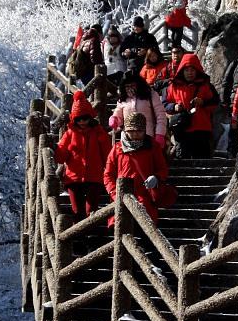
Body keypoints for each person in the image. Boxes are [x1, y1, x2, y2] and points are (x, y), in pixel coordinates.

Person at [103, 110, 169, 225]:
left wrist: (156, 178)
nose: (135, 134)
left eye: (139, 131)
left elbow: (162, 169)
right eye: (131, 131)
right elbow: (108, 174)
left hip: (145, 197)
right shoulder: (117, 148)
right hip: (121, 197)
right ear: (125, 131)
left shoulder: (153, 147)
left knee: (145, 229)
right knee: (122, 230)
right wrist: (114, 193)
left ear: (144, 131)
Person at [54, 91, 111, 220]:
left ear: (90, 117)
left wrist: (109, 171)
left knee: (91, 210)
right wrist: (60, 150)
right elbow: (60, 157)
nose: (82, 122)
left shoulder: (98, 132)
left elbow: (107, 153)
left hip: (94, 177)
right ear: (74, 119)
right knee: (77, 211)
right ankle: (79, 237)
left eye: (85, 118)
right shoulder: (69, 134)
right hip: (73, 178)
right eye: (78, 119)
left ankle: (90, 234)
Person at [164, 52, 219, 158]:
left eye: (192, 70)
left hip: (201, 129)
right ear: (182, 71)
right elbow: (164, 104)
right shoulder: (173, 86)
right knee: (183, 160)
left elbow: (215, 102)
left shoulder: (206, 85)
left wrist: (203, 102)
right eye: (187, 70)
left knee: (203, 161)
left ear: (197, 70)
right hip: (182, 129)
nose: (190, 73)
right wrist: (174, 107)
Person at [109, 72, 167, 147]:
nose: (130, 88)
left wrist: (160, 134)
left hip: (148, 137)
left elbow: (161, 115)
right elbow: (119, 114)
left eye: (132, 85)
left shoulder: (150, 95)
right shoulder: (123, 98)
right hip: (128, 139)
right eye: (127, 86)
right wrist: (115, 119)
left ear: (139, 84)